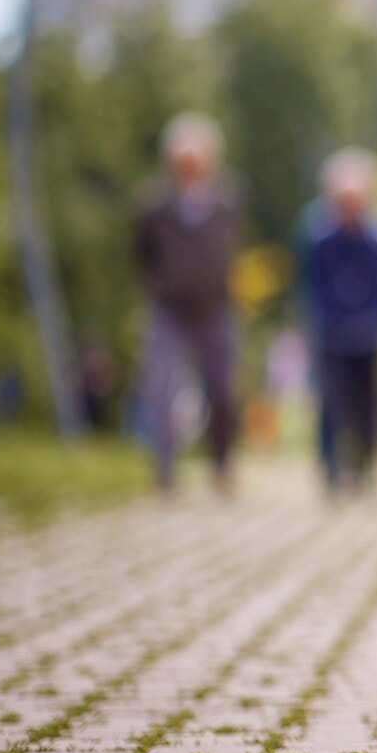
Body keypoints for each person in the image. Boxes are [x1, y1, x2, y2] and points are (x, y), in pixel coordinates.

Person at [133, 112, 241, 493]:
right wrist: (162, 285)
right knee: (160, 388)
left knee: (222, 389)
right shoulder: (153, 206)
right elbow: (142, 254)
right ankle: (164, 470)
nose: (190, 168)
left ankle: (222, 465)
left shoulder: (227, 201)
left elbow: (231, 249)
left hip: (215, 309)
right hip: (170, 310)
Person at [304, 148, 377, 493]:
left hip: (369, 335)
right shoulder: (317, 238)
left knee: (368, 405)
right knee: (330, 403)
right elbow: (311, 284)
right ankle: (330, 468)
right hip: (331, 333)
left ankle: (367, 466)